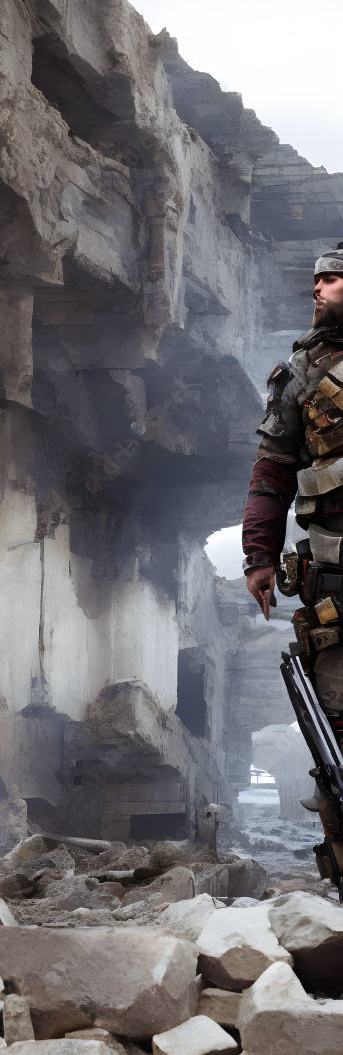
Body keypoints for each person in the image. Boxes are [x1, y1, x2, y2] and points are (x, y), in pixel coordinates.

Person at [242, 246, 343, 881]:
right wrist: (258, 556)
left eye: (332, 279)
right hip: (334, 580)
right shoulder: (302, 373)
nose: (318, 289)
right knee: (335, 723)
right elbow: (272, 470)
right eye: (315, 279)